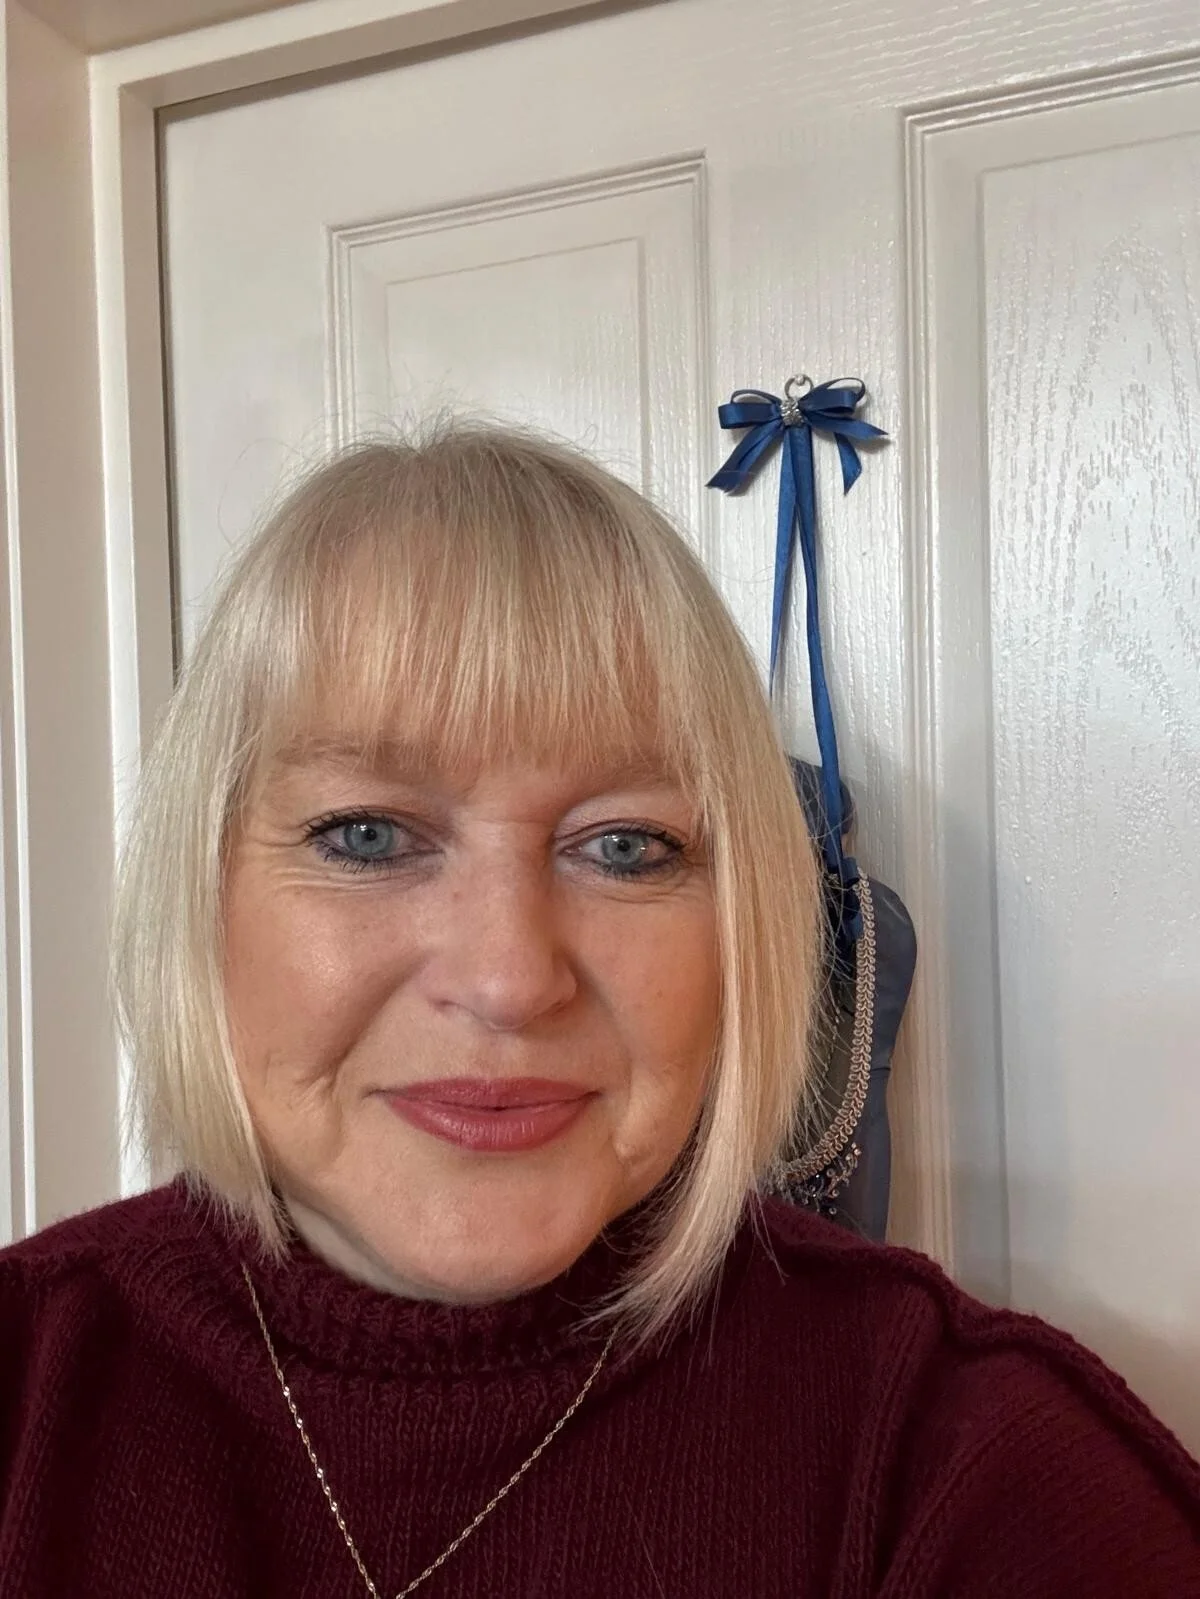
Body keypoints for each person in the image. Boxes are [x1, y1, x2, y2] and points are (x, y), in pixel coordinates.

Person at [1, 425, 1198, 1598]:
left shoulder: (962, 1464)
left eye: (626, 846)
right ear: (203, 894)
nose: (511, 980)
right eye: (366, 835)